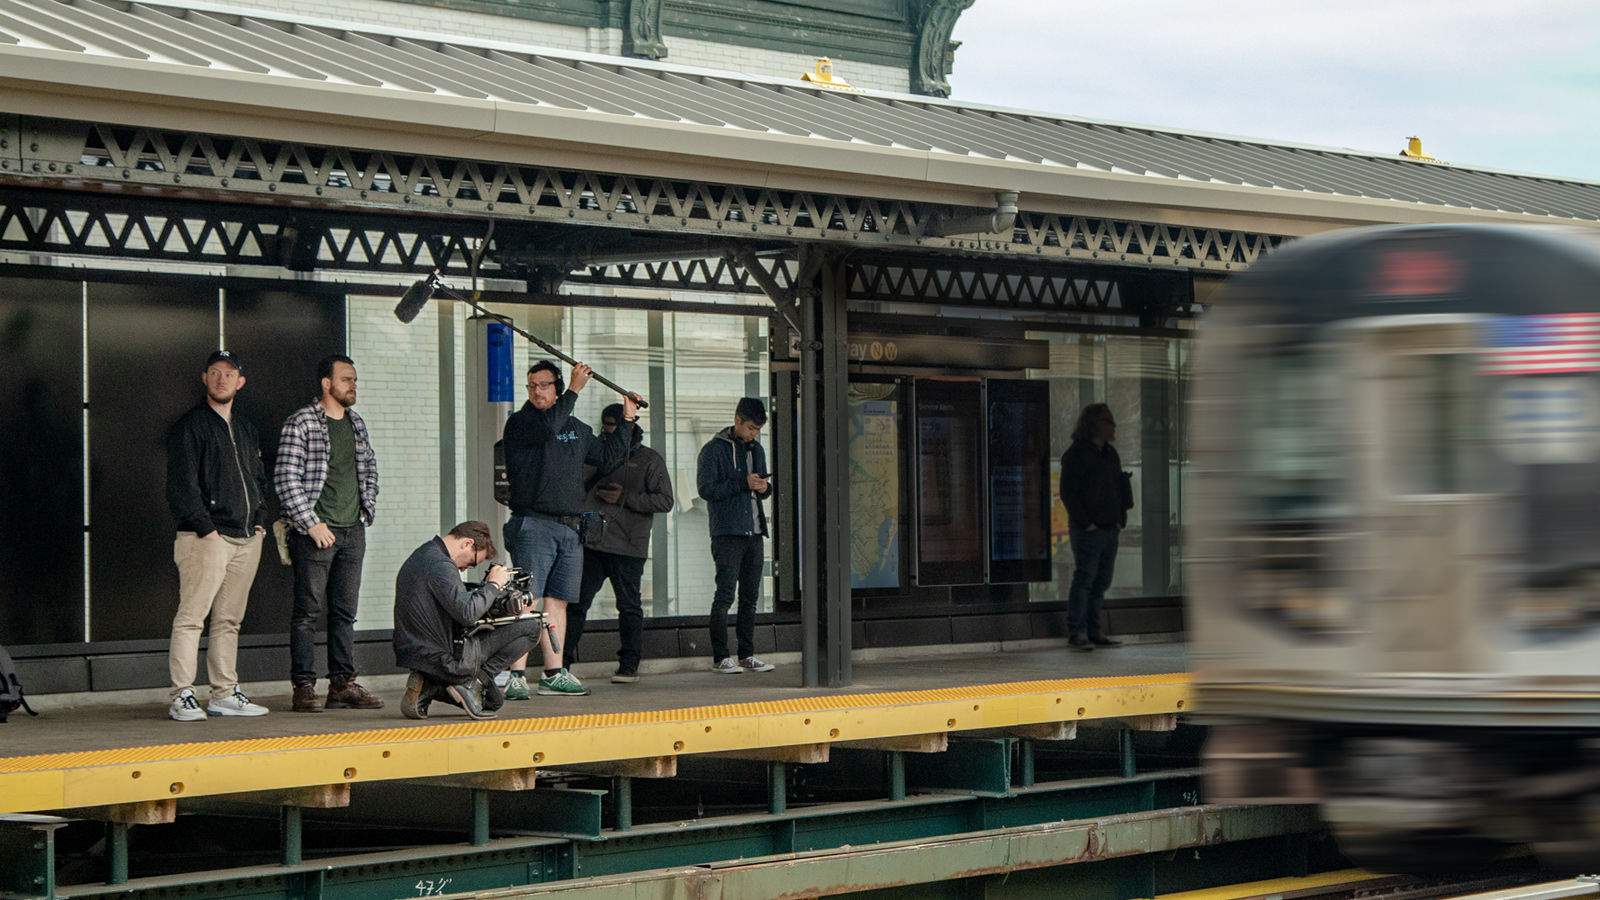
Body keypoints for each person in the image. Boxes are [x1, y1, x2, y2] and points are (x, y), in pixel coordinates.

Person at [501, 360, 639, 698]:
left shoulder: (576, 428)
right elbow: (548, 428)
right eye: (531, 385)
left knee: (558, 602)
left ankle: (553, 671)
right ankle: (515, 674)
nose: (536, 391)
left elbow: (608, 457)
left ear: (556, 386)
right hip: (533, 522)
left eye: (544, 385)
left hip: (570, 527)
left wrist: (628, 419)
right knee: (526, 599)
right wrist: (576, 390)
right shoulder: (519, 424)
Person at [163, 350, 272, 722]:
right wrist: (206, 529)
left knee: (228, 621)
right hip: (205, 539)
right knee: (192, 618)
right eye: (215, 372)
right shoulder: (190, 426)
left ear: (240, 381)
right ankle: (182, 695)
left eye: (229, 373)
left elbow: (257, 478)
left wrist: (259, 519)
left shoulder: (245, 428)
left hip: (245, 538)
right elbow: (181, 487)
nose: (222, 379)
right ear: (204, 378)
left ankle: (224, 693)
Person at [275, 354, 383, 712]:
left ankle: (342, 684)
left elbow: (369, 470)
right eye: (346, 379)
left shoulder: (357, 424)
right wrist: (311, 522)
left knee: (344, 613)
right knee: (307, 612)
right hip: (316, 533)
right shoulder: (302, 423)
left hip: (353, 531)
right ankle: (304, 687)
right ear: (327, 383)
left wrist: (366, 508)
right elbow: (285, 477)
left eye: (354, 380)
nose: (353, 386)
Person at [568, 403, 675, 684]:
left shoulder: (649, 459)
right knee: (577, 604)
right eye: (605, 426)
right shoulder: (594, 455)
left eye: (613, 426)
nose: (608, 431)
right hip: (593, 541)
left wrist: (625, 497)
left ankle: (629, 664)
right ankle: (562, 663)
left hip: (628, 545)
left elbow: (665, 501)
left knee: (628, 605)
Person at [394, 521, 539, 720]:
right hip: (447, 658)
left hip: (420, 655)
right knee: (532, 626)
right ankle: (472, 682)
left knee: (493, 701)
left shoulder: (423, 555)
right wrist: (494, 585)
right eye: (471, 562)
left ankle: (428, 685)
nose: (464, 569)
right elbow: (468, 613)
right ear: (467, 544)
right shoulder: (441, 565)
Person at [696, 397, 776, 675]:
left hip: (754, 531)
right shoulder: (713, 450)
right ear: (737, 420)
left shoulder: (758, 449)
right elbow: (706, 489)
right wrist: (743, 483)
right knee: (725, 594)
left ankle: (747, 653)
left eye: (758, 429)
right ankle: (721, 656)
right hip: (727, 532)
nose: (754, 434)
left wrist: (763, 487)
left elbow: (765, 491)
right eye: (751, 428)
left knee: (751, 596)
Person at [1060, 403, 1132, 652]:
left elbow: (1117, 487)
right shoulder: (1077, 454)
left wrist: (1119, 519)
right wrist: (1086, 522)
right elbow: (1068, 493)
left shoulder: (1110, 454)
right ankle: (1078, 631)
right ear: (1095, 424)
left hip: (1109, 527)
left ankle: (1093, 629)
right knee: (1086, 578)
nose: (1113, 426)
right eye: (1108, 421)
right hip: (1089, 529)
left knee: (1101, 580)